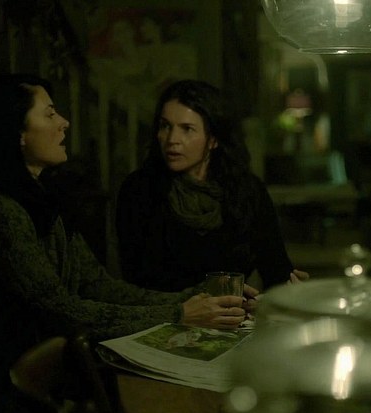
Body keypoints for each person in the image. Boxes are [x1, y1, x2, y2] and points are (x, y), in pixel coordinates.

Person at [0, 74, 253, 413]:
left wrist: (193, 300)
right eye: (50, 114)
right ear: (16, 133)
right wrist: (179, 313)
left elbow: (97, 285)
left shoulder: (39, 199)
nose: (64, 123)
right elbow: (59, 310)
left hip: (44, 390)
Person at [115, 79, 308, 293]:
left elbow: (276, 269)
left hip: (235, 313)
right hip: (170, 312)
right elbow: (138, 281)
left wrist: (289, 288)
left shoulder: (246, 191)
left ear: (213, 139)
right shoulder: (140, 191)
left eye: (187, 129)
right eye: (165, 126)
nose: (172, 139)